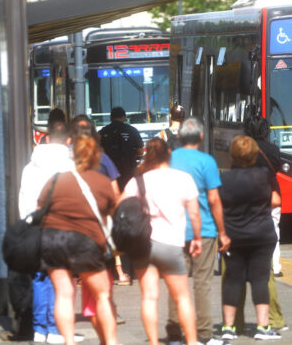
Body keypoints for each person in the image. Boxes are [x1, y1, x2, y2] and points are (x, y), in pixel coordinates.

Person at [121, 138, 203, 345]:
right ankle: (192, 341)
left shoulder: (138, 181)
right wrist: (197, 238)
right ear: (169, 154)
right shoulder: (183, 179)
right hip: (171, 245)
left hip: (143, 245)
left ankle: (153, 342)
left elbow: (120, 206)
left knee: (149, 297)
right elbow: (194, 213)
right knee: (182, 297)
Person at [39, 135, 118, 345]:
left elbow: (40, 210)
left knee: (64, 294)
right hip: (86, 242)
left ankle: (68, 341)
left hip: (54, 241)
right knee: (102, 295)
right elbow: (112, 212)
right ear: (94, 157)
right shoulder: (102, 182)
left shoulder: (56, 180)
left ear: (72, 156)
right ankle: (111, 342)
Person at [166, 118, 231, 345]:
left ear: (180, 137)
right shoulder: (207, 161)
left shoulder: (169, 159)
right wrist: (222, 232)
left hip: (173, 230)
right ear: (201, 137)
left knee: (176, 281)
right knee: (202, 283)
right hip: (203, 229)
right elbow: (214, 199)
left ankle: (174, 333)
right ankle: (203, 333)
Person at [218, 136, 282, 341]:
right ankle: (263, 327)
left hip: (233, 235)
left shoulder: (224, 179)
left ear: (233, 155)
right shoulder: (264, 175)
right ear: (255, 154)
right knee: (260, 280)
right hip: (261, 235)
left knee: (232, 281)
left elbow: (218, 205)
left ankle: (228, 327)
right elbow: (276, 200)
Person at [18, 121, 74, 344]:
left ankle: (39, 328)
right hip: (63, 227)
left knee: (40, 278)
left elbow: (23, 199)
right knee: (60, 279)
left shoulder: (30, 166)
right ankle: (55, 328)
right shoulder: (69, 166)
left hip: (36, 227)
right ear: (68, 141)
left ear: (47, 138)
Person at [70, 114, 130, 287]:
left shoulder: (70, 159)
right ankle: (118, 272)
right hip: (101, 213)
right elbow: (115, 191)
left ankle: (83, 274)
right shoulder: (103, 158)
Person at [243, 115, 288, 332]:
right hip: (273, 193)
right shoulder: (273, 150)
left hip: (251, 195)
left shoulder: (244, 148)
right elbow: (278, 170)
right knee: (274, 229)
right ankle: (276, 266)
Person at [99, 106, 144, 191]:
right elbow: (140, 151)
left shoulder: (103, 131)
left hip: (109, 173)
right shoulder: (132, 130)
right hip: (128, 172)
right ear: (124, 118)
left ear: (111, 118)